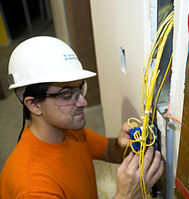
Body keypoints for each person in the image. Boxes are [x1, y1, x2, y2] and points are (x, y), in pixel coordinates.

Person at [0, 36, 164, 198]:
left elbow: (107, 150)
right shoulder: (33, 188)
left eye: (79, 89)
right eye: (66, 94)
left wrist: (122, 145)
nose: (83, 102)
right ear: (34, 105)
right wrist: (125, 196)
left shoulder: (68, 132)